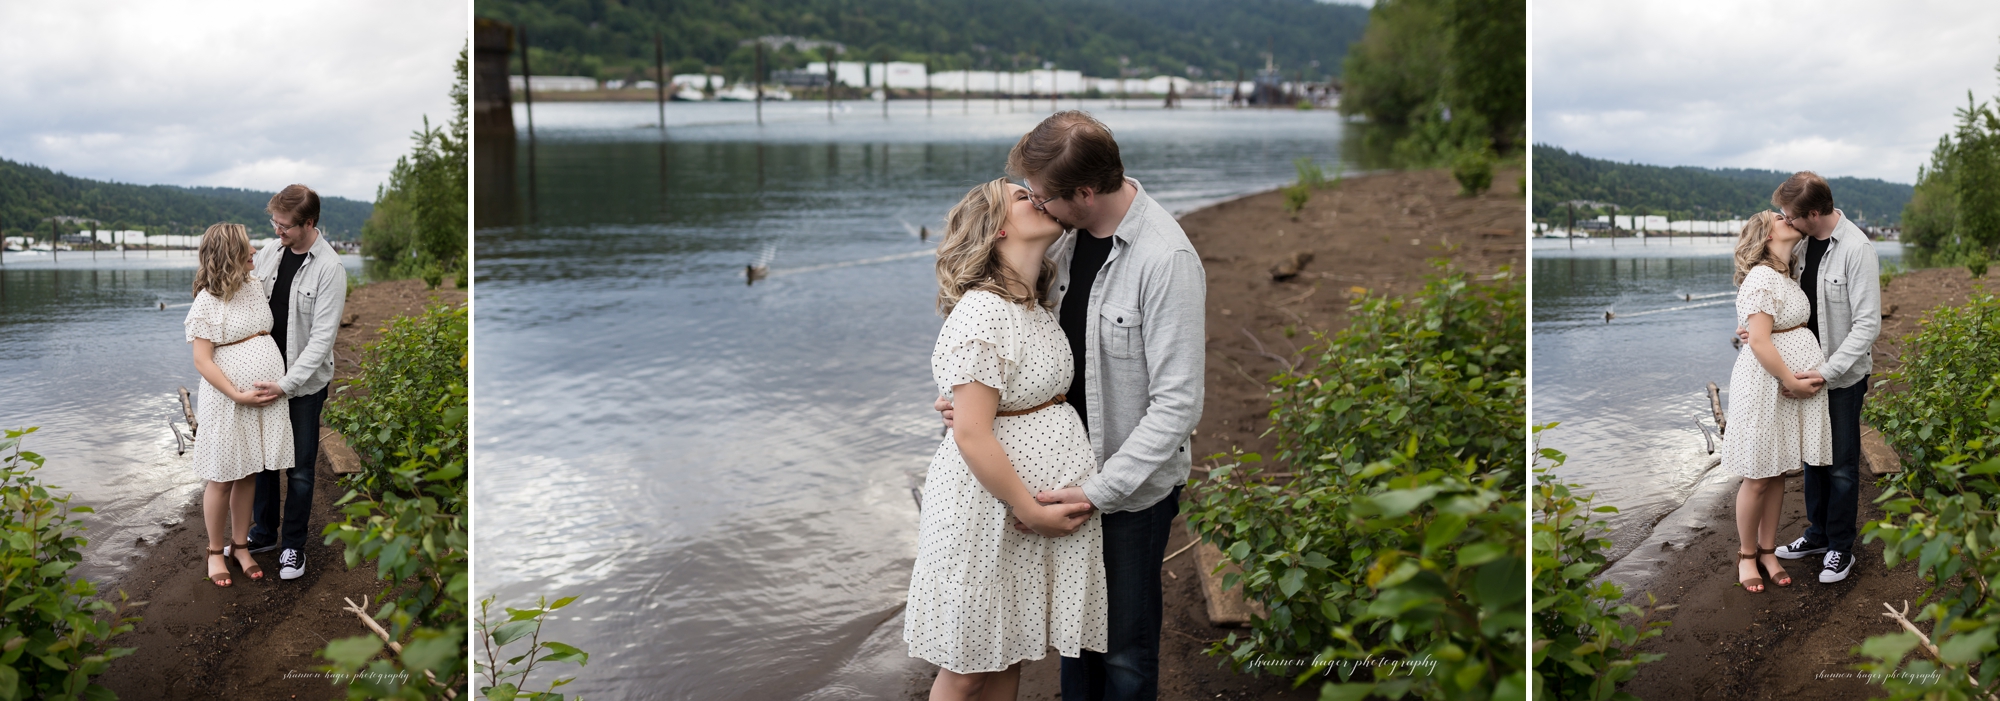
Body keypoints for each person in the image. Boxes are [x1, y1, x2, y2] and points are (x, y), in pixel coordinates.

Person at [937, 111, 1206, 700]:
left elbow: (1178, 405)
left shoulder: (1165, 260)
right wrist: (980, 398)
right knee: (1075, 640)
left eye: (1043, 195)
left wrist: (1098, 491)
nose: (1035, 203)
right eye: (1027, 195)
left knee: (1125, 655)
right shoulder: (1059, 239)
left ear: (1083, 193)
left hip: (1125, 490)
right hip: (1052, 479)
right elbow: (1022, 351)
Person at [905, 179, 1105, 701]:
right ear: (996, 229)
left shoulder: (1033, 308)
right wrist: (1032, 510)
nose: (1038, 198)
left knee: (1008, 650)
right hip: (985, 511)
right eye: (1022, 197)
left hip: (1016, 509)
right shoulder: (984, 311)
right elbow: (971, 433)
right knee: (968, 668)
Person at [1758, 172, 1882, 584]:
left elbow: (1867, 326)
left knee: (1843, 465)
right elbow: (1788, 305)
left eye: (1789, 215)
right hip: (1804, 373)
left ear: (1813, 213)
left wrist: (1826, 372)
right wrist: (1756, 330)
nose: (1783, 220)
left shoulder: (1856, 249)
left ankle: (1840, 549)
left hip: (1840, 376)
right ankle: (1817, 534)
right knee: (1814, 458)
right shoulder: (1802, 245)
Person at [1723, 211, 1832, 592]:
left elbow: (1765, 328)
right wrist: (1793, 382)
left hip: (1782, 388)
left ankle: (1769, 551)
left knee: (1776, 471)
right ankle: (1747, 556)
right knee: (1756, 476)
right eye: (1779, 216)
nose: (1788, 218)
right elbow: (1758, 341)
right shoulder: (1762, 277)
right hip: (1765, 386)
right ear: (1766, 234)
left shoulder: (1786, 274)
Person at [245, 184, 347, 581]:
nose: (276, 231)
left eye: (284, 225)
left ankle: (293, 547)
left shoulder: (330, 269)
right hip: (264, 376)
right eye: (274, 222)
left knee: (301, 470)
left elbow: (322, 341)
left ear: (309, 223)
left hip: (302, 387)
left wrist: (286, 385)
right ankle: (262, 534)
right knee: (265, 462)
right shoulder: (270, 253)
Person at [185, 222, 291, 587]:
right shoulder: (207, 300)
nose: (255, 253)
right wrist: (237, 393)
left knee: (249, 473)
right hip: (228, 401)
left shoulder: (253, 285)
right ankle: (216, 552)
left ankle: (241, 546)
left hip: (261, 399)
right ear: (230, 255)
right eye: (247, 248)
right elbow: (202, 360)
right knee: (222, 477)